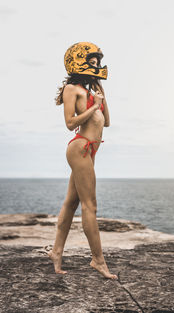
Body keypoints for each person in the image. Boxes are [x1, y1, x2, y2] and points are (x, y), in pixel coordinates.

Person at [47, 42, 118, 280]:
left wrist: (102, 99)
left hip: (90, 151)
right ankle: (98, 260)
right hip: (80, 149)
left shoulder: (92, 90)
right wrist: (94, 105)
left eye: (98, 62)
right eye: (92, 62)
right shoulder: (72, 89)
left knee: (71, 203)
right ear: (79, 62)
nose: (97, 66)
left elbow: (106, 123)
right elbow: (70, 123)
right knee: (91, 205)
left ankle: (56, 252)